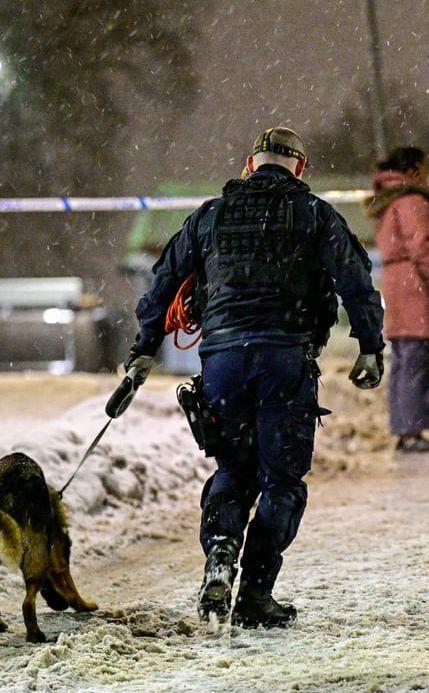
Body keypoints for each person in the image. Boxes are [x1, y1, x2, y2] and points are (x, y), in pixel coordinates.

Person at [120, 127, 385, 629]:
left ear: (250, 163)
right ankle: (255, 595)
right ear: (299, 168)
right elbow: (354, 280)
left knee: (233, 469)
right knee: (281, 479)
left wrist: (144, 348)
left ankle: (220, 554)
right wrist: (370, 345)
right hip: (285, 359)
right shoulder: (314, 215)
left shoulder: (209, 216)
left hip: (222, 360)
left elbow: (163, 282)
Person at [365, 147, 429, 453]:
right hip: (419, 295)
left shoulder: (392, 202)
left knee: (406, 362)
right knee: (421, 363)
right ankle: (413, 431)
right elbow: (425, 252)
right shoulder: (414, 203)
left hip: (400, 291)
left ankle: (405, 429)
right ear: (414, 170)